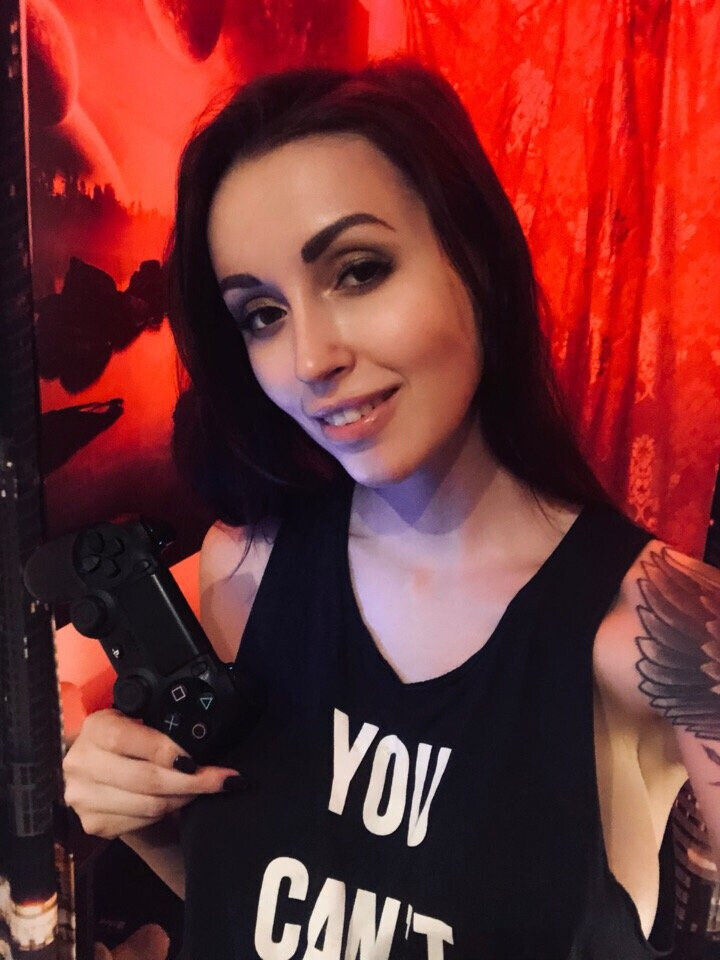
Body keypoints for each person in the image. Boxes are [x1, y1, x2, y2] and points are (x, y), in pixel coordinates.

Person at [62, 57, 720, 959]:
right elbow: (264, 901)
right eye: (262, 314)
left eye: (359, 271)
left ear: (475, 259)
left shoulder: (662, 632)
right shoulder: (242, 570)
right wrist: (136, 810)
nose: (310, 359)